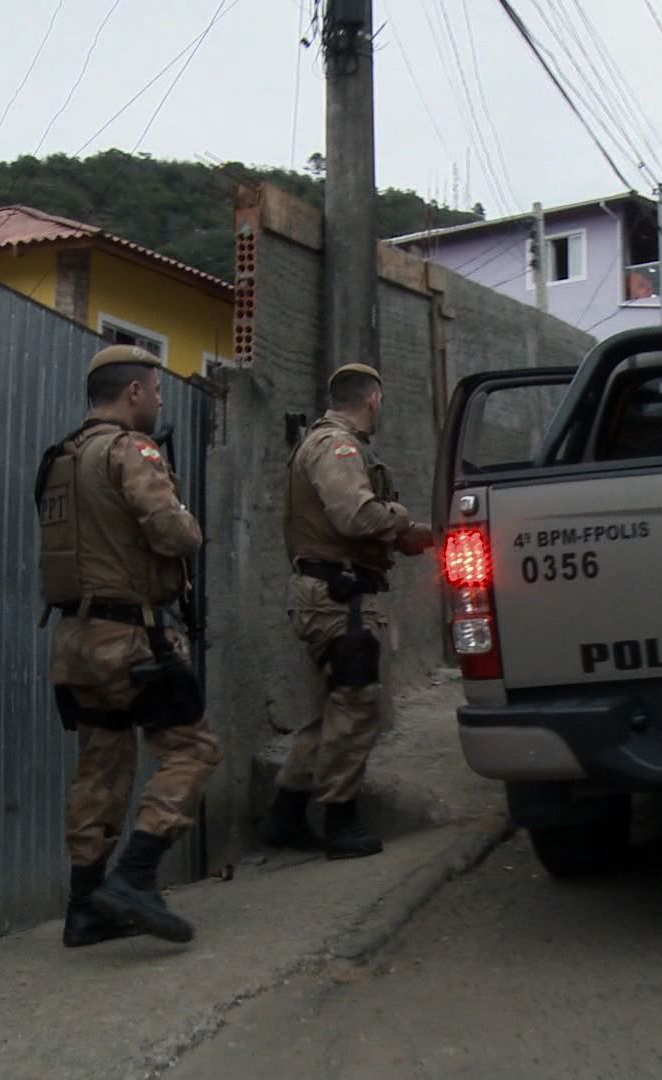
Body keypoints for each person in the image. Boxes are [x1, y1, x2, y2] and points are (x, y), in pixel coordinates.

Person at [36, 344, 221, 946]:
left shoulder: (60, 457)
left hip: (74, 641)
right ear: (135, 392)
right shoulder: (130, 450)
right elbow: (175, 534)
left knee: (101, 765)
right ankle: (136, 874)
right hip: (132, 640)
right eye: (157, 388)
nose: (161, 398)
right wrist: (189, 522)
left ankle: (84, 907)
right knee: (192, 748)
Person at [258, 363, 434, 857]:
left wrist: (410, 535)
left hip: (335, 594)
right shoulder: (337, 446)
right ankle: (341, 822)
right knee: (357, 706)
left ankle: (285, 817)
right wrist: (399, 518)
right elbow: (356, 515)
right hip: (339, 599)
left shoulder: (327, 443)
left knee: (333, 709)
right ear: (373, 399)